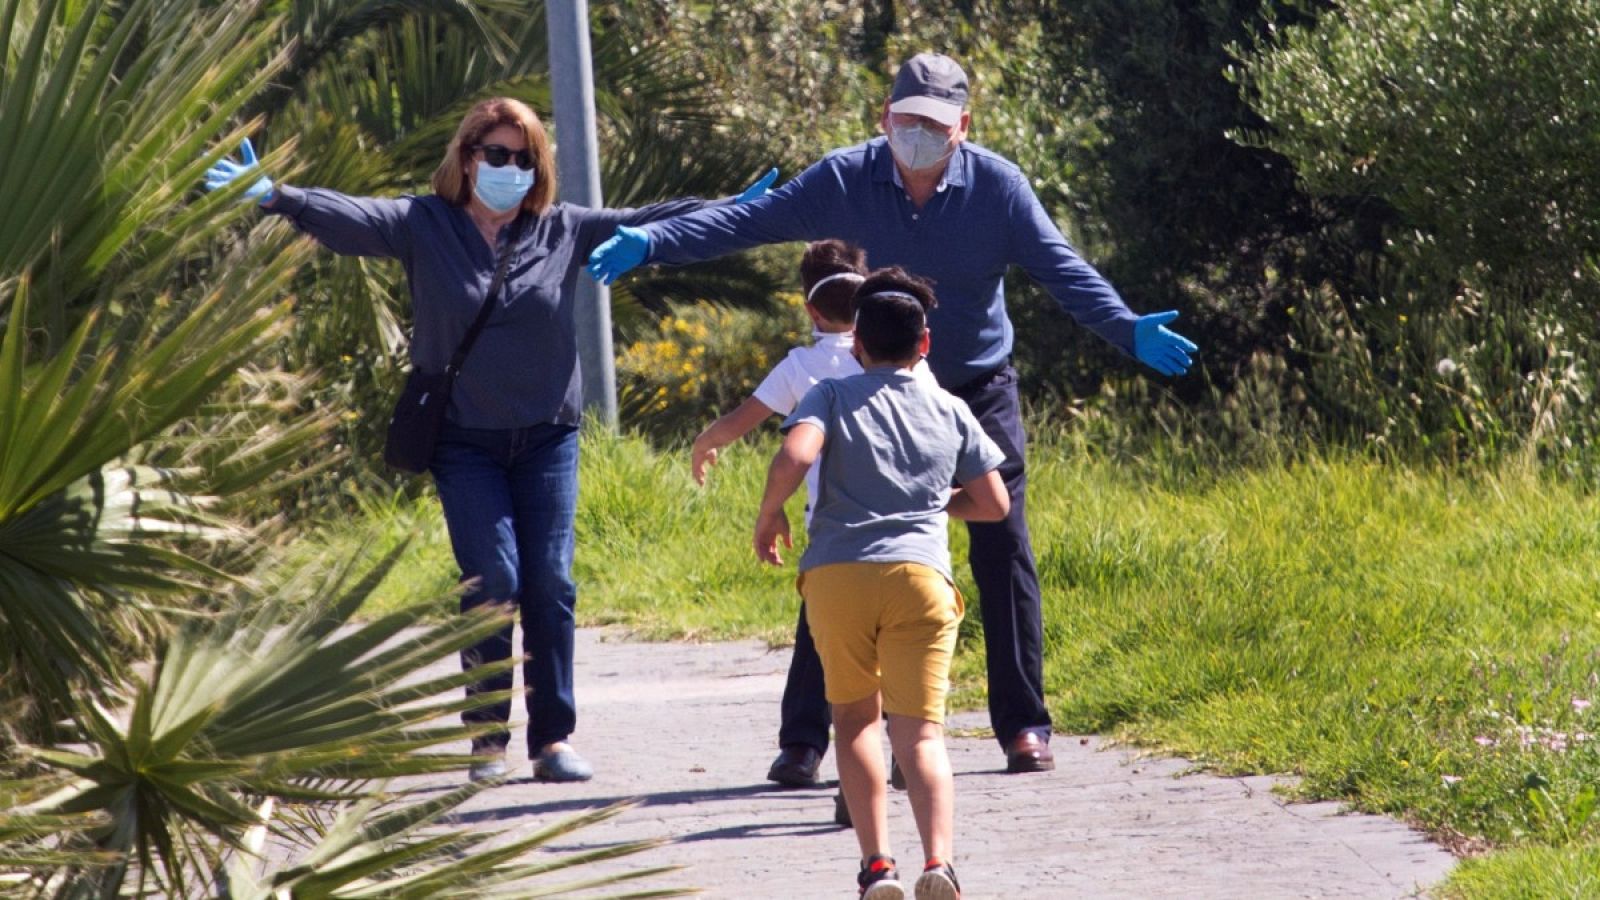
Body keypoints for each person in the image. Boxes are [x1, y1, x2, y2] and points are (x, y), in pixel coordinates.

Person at [588, 53, 1198, 775]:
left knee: (1001, 541)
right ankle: (804, 740)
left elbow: (1061, 269)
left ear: (962, 127)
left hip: (972, 385)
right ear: (884, 117)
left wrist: (1125, 327)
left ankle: (1023, 726)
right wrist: (654, 241)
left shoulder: (998, 188)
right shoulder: (843, 179)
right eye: (906, 119)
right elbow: (747, 222)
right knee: (845, 547)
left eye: (935, 125)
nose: (917, 134)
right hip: (872, 388)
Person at [203, 97, 775, 784]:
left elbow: (652, 221)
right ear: (468, 157)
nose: (509, 168)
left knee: (553, 583)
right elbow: (352, 217)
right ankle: (487, 740)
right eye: (496, 154)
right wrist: (274, 196)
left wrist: (734, 208)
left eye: (523, 158)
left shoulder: (562, 229)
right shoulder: (425, 224)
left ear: (538, 168)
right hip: (463, 441)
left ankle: (553, 739)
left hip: (548, 437)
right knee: (494, 581)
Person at [755, 267, 1008, 900]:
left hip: (838, 577)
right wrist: (930, 505)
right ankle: (939, 863)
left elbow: (795, 455)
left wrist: (770, 513)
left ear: (858, 344)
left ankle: (876, 867)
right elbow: (995, 503)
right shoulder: (948, 407)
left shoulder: (833, 395)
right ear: (925, 346)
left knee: (855, 720)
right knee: (920, 733)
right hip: (920, 577)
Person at [691, 239, 935, 794]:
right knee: (900, 646)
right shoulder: (908, 359)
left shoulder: (803, 365)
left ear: (810, 309)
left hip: (835, 538)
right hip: (909, 537)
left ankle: (802, 749)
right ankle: (904, 751)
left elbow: (745, 420)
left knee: (817, 645)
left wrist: (707, 443)